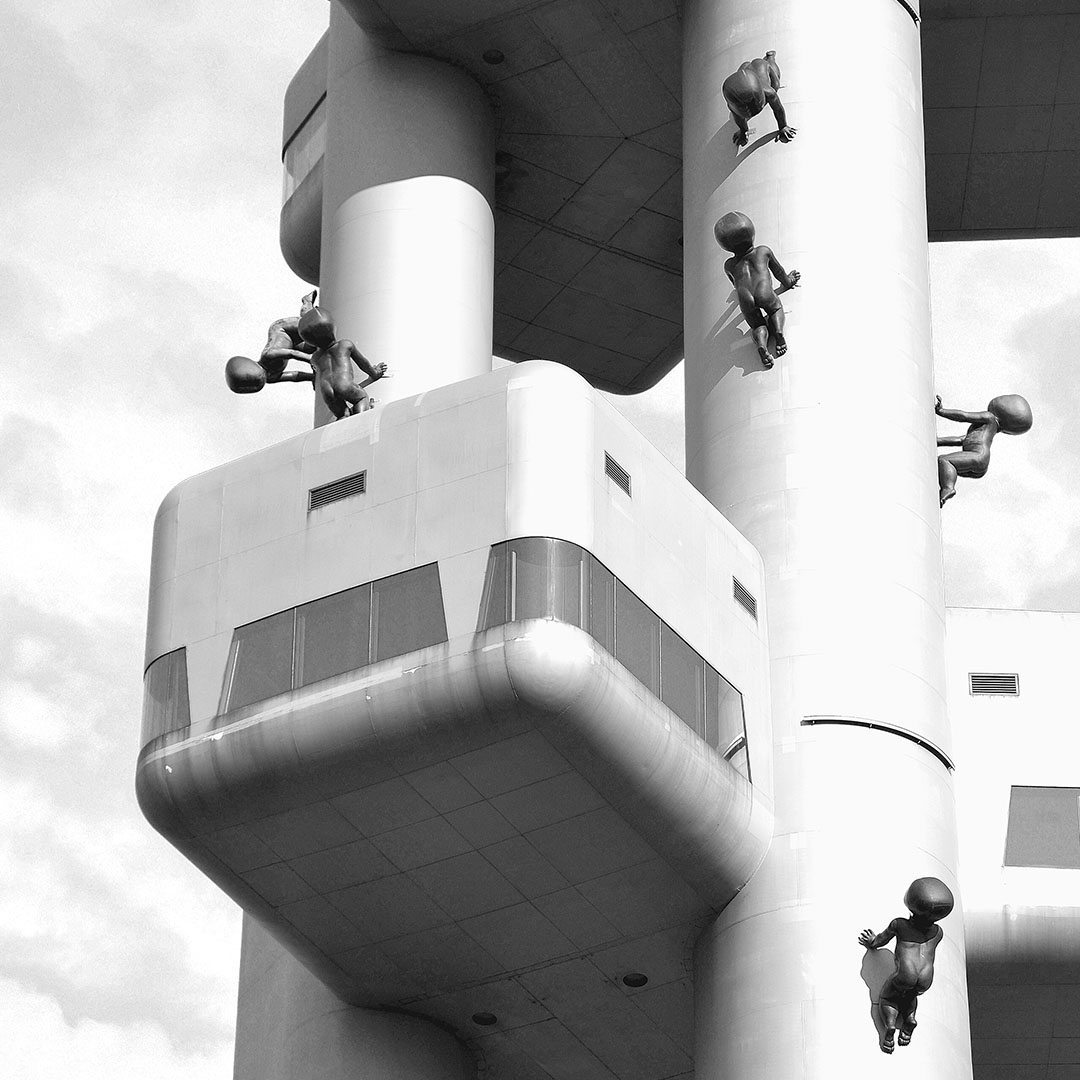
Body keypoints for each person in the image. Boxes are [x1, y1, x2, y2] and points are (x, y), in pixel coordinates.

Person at [858, 877, 954, 1054]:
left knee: (888, 997)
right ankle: (909, 1020)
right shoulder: (938, 932)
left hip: (905, 974)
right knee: (910, 995)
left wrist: (871, 941)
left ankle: (890, 1027)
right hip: (926, 978)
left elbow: (880, 940)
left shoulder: (900, 925)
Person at [715, 211, 800, 368]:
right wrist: (789, 282)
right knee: (775, 309)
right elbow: (779, 272)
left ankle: (761, 344)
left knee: (757, 324)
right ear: (752, 233)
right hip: (764, 291)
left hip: (745, 297)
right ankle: (778, 333)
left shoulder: (729, 265)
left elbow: (735, 284)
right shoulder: (763, 251)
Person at [935, 394, 1033, 507]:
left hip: (977, 456)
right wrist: (938, 441)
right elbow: (961, 440)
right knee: (944, 468)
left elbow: (964, 416)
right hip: (980, 464)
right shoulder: (986, 429)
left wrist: (942, 411)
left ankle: (948, 488)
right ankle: (946, 484)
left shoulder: (989, 417)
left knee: (945, 461)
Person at [298, 306, 388, 420]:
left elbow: (316, 380)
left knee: (343, 415)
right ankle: (360, 419)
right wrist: (375, 373)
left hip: (327, 391)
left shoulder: (315, 358)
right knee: (361, 398)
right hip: (344, 385)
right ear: (332, 327)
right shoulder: (345, 345)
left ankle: (343, 418)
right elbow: (363, 363)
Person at [723, 50, 796, 146]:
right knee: (742, 83)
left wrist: (783, 126)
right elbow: (738, 119)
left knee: (776, 84)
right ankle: (747, 72)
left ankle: (770, 58)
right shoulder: (733, 104)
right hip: (746, 72)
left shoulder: (768, 92)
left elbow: (778, 109)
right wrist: (743, 131)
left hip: (761, 65)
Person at [259, 290, 319, 383]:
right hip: (292, 343)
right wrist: (313, 377)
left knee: (310, 325)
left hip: (282, 329)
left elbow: (292, 354)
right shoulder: (270, 378)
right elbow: (294, 376)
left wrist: (311, 360)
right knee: (312, 347)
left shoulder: (268, 355)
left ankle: (307, 301)